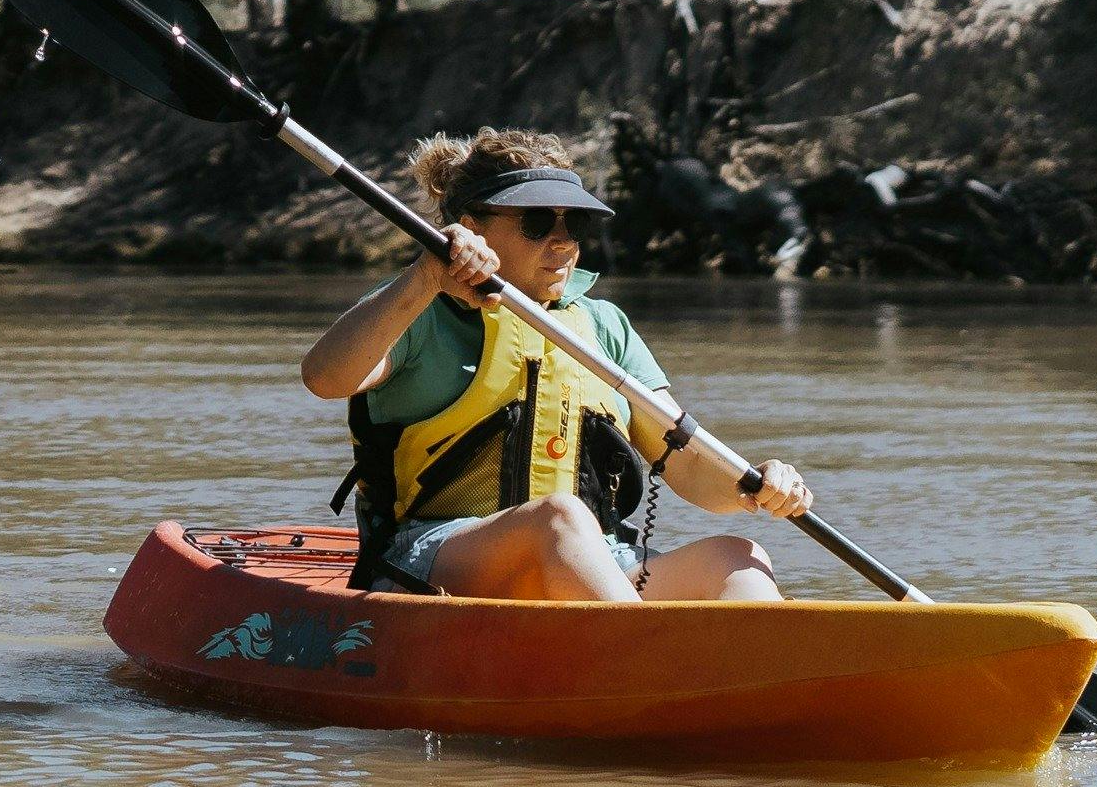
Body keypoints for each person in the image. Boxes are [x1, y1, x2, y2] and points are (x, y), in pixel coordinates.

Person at [301, 127, 810, 601]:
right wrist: (425, 278)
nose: (562, 241)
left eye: (575, 222)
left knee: (738, 557)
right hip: (431, 554)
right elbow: (325, 378)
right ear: (471, 228)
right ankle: (641, 662)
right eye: (538, 222)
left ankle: (758, 684)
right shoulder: (418, 308)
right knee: (559, 517)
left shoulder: (604, 326)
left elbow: (684, 462)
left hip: (588, 558)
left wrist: (754, 484)